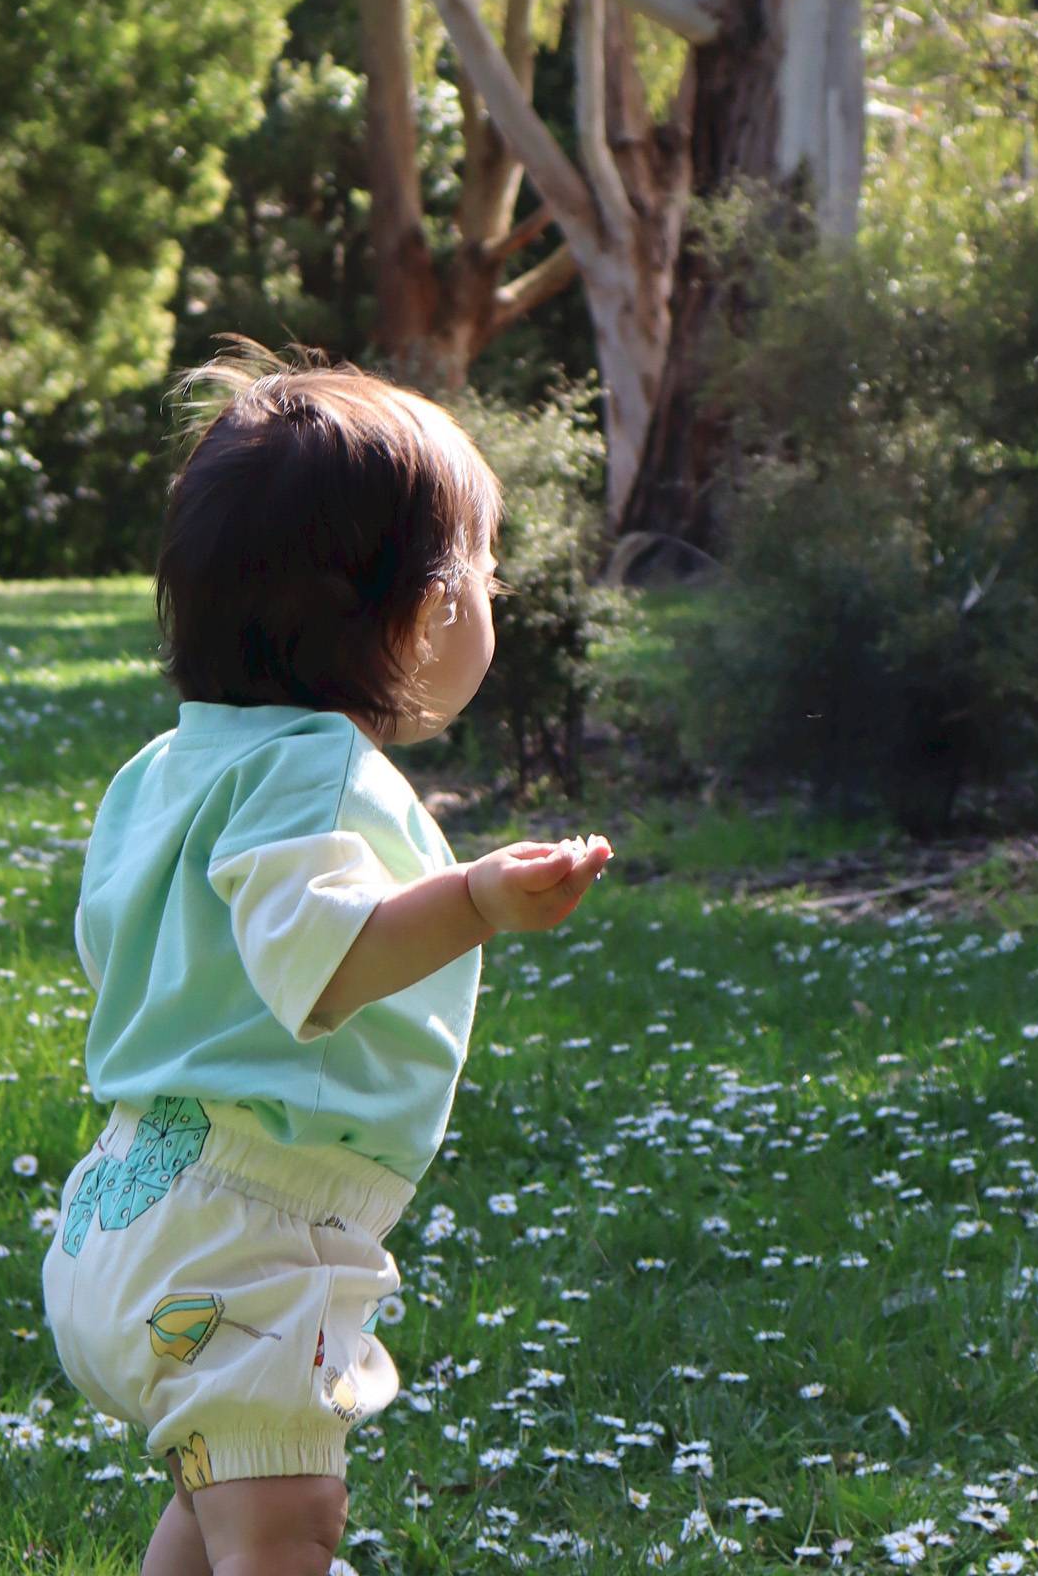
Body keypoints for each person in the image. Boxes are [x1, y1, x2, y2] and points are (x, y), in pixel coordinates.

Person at [41, 346, 611, 1576]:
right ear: (419, 610)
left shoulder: (171, 763)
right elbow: (326, 961)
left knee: (220, 1509)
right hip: (248, 1229)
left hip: (138, 1196)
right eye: (486, 573)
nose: (495, 598)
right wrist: (470, 900)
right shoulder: (311, 765)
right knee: (288, 1532)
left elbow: (130, 950)